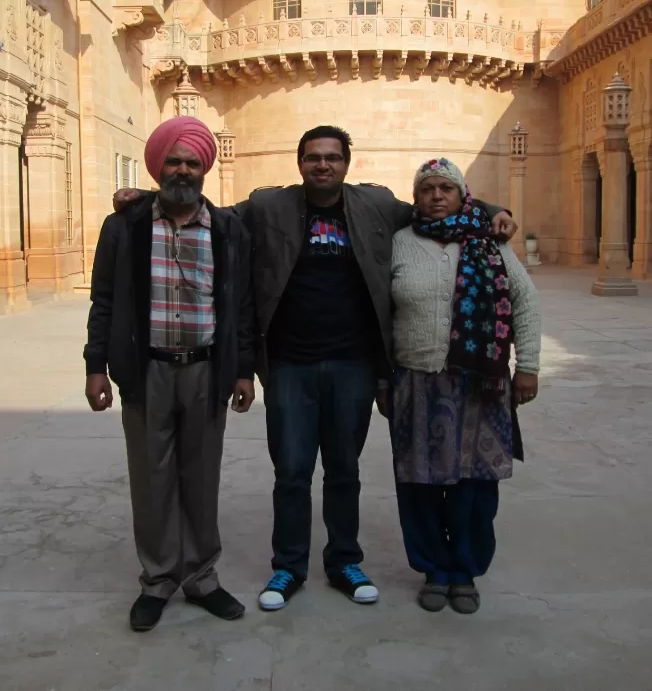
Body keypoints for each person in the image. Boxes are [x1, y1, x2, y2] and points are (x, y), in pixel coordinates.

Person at [112, 126, 517, 612]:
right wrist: (143, 198)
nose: (322, 165)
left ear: (347, 163)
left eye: (332, 157)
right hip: (289, 365)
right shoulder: (269, 208)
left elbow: (436, 206)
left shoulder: (376, 206)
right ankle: (289, 565)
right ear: (299, 163)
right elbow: (206, 214)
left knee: (344, 470)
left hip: (354, 364)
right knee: (292, 471)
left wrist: (495, 211)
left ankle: (344, 559)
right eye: (312, 158)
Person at [83, 116, 257, 633]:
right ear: (159, 166)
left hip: (205, 370)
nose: (183, 169)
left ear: (206, 168)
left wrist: (243, 370)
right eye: (174, 161)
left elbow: (240, 307)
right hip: (146, 370)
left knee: (200, 477)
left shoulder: (227, 229)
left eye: (192, 162)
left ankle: (201, 576)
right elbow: (105, 300)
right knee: (151, 476)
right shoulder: (125, 227)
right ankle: (158, 579)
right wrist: (96, 366)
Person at [386, 158, 540, 615]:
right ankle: (434, 568)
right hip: (416, 380)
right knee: (420, 484)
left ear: (462, 194)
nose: (436, 196)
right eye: (427, 188)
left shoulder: (489, 241)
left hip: (479, 383)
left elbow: (524, 302)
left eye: (445, 188)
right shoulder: (398, 243)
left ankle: (466, 571)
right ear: (415, 197)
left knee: (474, 483)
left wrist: (527, 366)